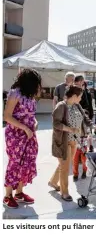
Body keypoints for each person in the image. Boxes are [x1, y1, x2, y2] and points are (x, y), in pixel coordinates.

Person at [3, 69, 42, 209]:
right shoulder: (15, 93)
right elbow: (7, 116)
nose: (38, 87)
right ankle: (8, 196)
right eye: (36, 83)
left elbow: (31, 115)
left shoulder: (29, 96)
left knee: (27, 163)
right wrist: (25, 128)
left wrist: (35, 123)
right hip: (15, 136)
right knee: (15, 163)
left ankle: (19, 193)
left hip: (29, 135)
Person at [49, 85, 92, 202]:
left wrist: (92, 124)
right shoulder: (61, 106)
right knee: (65, 167)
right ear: (73, 96)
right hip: (63, 141)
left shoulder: (76, 105)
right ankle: (65, 192)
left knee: (65, 165)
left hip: (74, 141)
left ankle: (53, 182)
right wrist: (70, 129)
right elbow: (56, 124)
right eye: (80, 97)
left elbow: (84, 117)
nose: (81, 99)